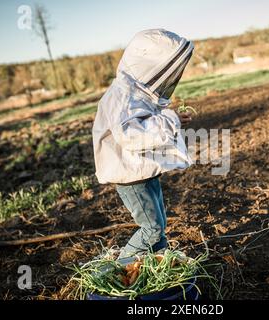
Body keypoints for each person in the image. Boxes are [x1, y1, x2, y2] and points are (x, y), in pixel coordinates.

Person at [92, 29, 194, 259]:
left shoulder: (135, 94)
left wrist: (172, 119)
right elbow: (131, 135)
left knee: (159, 225)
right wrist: (171, 119)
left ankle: (158, 263)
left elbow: (146, 124)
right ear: (149, 65)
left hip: (142, 172)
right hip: (131, 178)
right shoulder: (121, 97)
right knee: (151, 229)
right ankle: (120, 269)